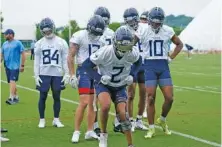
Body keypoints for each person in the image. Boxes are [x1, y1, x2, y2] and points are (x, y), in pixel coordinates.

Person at [82, 26, 142, 147]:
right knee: (105, 106)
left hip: (120, 85)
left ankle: (130, 144)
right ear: (115, 42)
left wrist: (132, 75)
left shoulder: (133, 52)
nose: (125, 49)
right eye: (122, 45)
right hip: (104, 84)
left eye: (127, 45)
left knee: (123, 114)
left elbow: (139, 62)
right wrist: (99, 78)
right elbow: (86, 65)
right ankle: (103, 135)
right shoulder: (105, 51)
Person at [143, 7, 183, 138]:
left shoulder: (168, 30)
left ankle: (162, 120)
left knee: (169, 98)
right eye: (154, 22)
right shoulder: (143, 30)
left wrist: (171, 57)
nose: (156, 24)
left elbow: (179, 44)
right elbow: (132, 44)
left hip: (163, 66)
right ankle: (151, 128)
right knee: (150, 97)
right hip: (149, 65)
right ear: (149, 21)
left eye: (158, 22)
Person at [68, 15, 106, 143]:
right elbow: (71, 55)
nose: (96, 35)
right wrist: (72, 74)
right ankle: (76, 131)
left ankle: (90, 131)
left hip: (95, 71)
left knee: (93, 103)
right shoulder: (79, 35)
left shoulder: (102, 39)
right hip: (83, 69)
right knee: (84, 102)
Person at [34, 18, 69, 128]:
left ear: (53, 28)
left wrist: (67, 73)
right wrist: (36, 75)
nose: (47, 32)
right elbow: (37, 61)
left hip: (57, 73)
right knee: (42, 96)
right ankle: (42, 119)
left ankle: (56, 119)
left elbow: (65, 59)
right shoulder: (39, 43)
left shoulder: (61, 42)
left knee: (57, 96)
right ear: (42, 31)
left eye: (49, 30)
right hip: (44, 73)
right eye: (45, 31)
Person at [120, 7, 148, 132]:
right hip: (131, 63)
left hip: (144, 63)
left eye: (131, 20)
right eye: (128, 20)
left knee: (144, 93)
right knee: (130, 94)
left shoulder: (145, 28)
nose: (130, 22)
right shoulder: (124, 30)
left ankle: (139, 119)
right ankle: (130, 120)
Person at [93, 6, 115, 136]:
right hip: (98, 66)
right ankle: (95, 124)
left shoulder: (111, 33)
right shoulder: (106, 32)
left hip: (107, 67)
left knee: (107, 96)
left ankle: (100, 124)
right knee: (96, 98)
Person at [1, 29, 26, 105]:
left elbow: (23, 54)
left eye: (6, 34)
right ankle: (16, 96)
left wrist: (22, 65)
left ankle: (11, 97)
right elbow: (2, 54)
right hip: (7, 66)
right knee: (11, 82)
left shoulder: (18, 43)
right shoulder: (4, 44)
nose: (5, 35)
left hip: (15, 66)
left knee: (12, 81)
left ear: (11, 34)